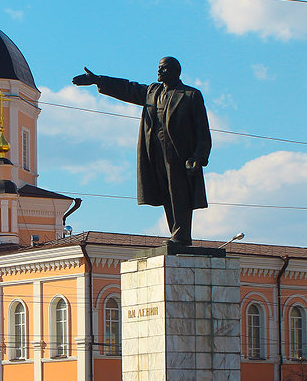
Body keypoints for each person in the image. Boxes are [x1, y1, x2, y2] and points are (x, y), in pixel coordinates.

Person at [73, 56, 211, 246]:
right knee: (167, 195)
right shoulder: (152, 91)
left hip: (180, 155)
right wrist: (99, 80)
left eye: (163, 68)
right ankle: (177, 234)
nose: (159, 71)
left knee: (180, 195)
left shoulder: (190, 95)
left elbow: (202, 130)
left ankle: (181, 236)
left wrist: (198, 156)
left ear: (175, 71)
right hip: (156, 153)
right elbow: (128, 88)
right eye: (159, 68)